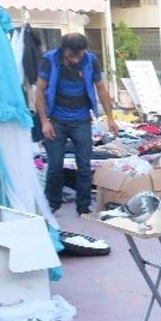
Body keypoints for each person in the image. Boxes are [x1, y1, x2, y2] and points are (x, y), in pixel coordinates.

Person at [36, 32, 118, 216]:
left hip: (81, 119)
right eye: (73, 55)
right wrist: (44, 121)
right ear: (64, 50)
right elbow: (39, 91)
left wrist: (110, 118)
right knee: (55, 166)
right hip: (55, 119)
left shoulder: (90, 60)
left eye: (79, 54)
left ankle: (83, 207)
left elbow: (101, 88)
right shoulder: (49, 60)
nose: (76, 59)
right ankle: (52, 204)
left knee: (84, 166)